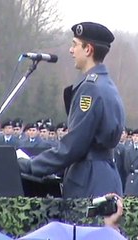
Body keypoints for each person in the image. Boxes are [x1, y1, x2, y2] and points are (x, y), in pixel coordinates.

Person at [18, 21, 125, 198]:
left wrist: (30, 166)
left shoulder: (89, 89)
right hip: (103, 177)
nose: (71, 50)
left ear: (88, 50)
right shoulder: (106, 85)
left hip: (88, 182)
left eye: (74, 45)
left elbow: (73, 146)